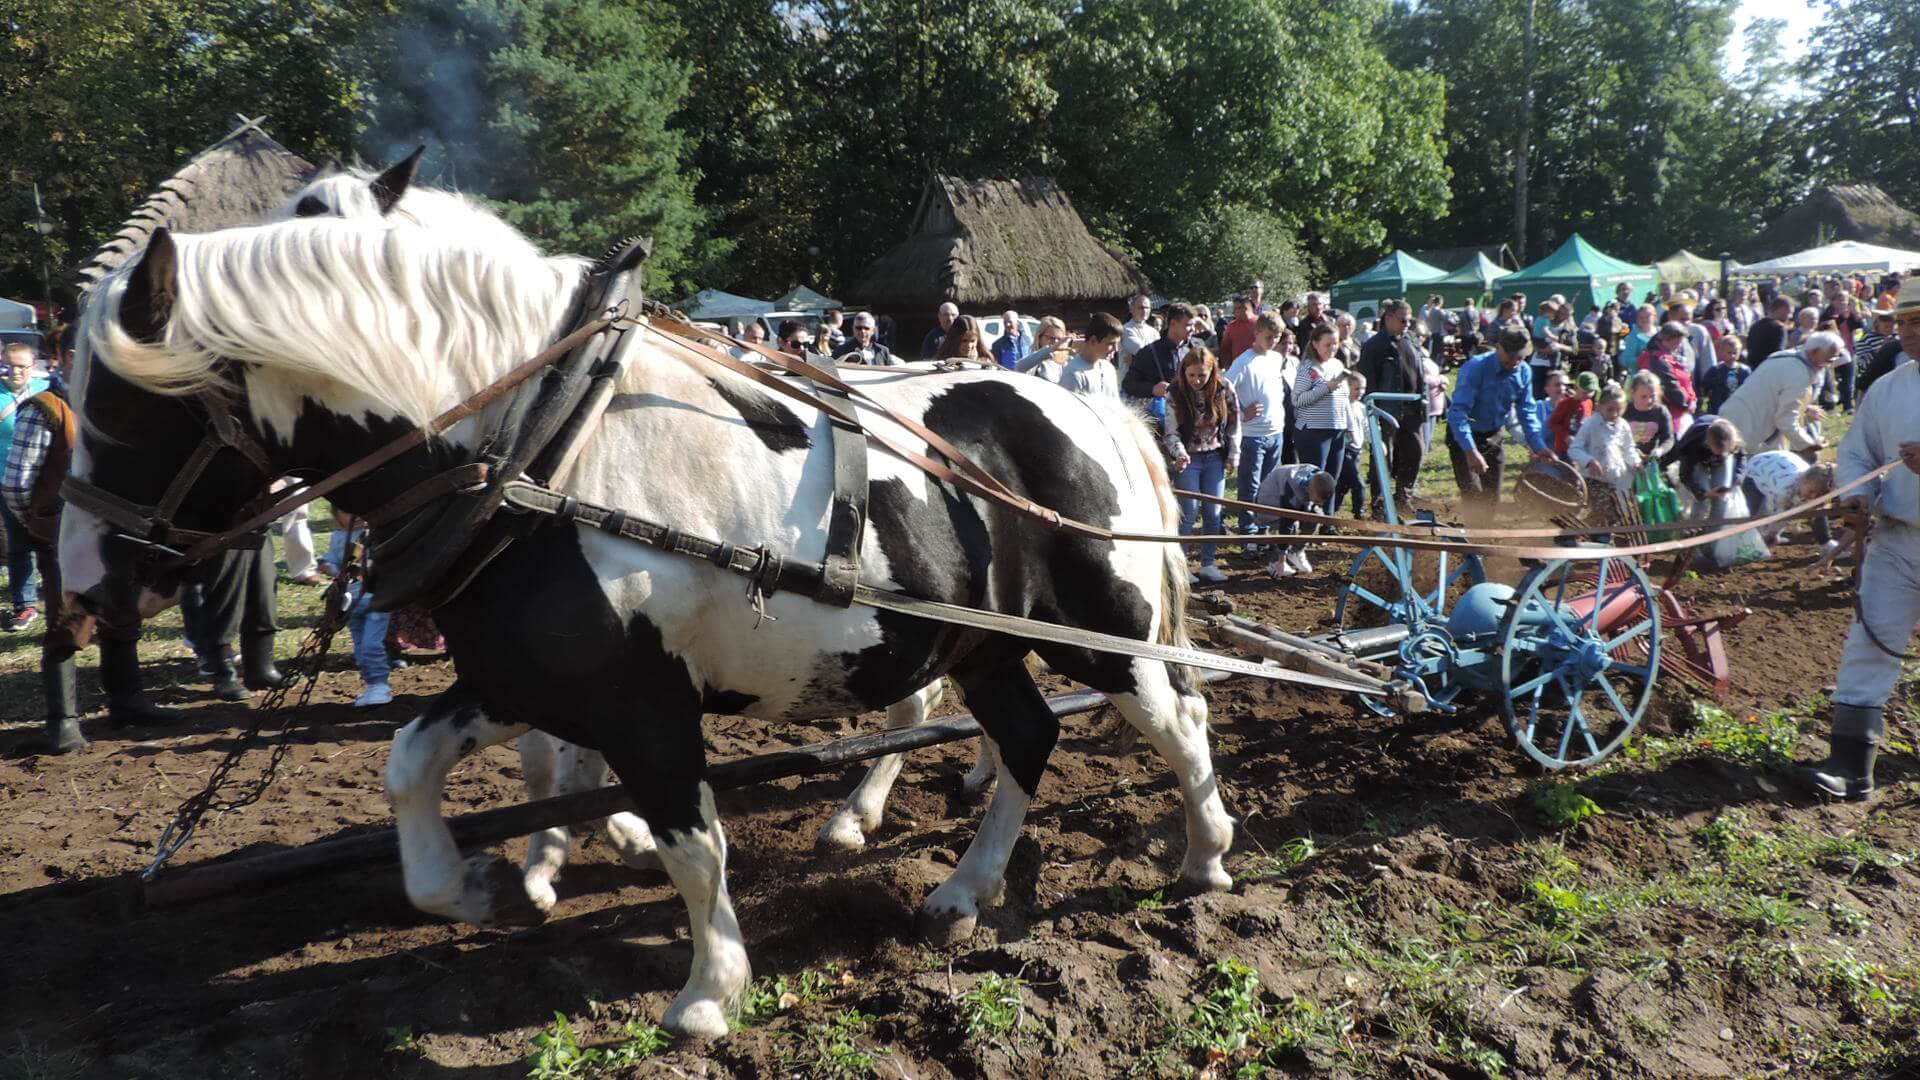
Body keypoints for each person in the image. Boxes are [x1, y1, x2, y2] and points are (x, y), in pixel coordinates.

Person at [4, 347, 178, 751]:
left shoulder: (120, 403)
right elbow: (16, 484)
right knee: (68, 620)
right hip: (63, 533)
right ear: (68, 357)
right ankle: (63, 721)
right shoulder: (46, 408)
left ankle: (128, 704)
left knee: (122, 613)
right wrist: (40, 524)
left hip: (119, 531)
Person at [1796, 333, 1920, 800]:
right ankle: (1850, 767)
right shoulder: (1888, 389)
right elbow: (1855, 454)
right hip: (1896, 536)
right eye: (1906, 322)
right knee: (1870, 643)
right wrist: (1856, 496)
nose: (1914, 331)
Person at [1445, 327, 1555, 510]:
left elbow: (1526, 411)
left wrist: (1539, 445)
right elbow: (1458, 413)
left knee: (1492, 498)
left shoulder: (1524, 372)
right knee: (1472, 495)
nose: (1515, 361)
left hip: (1493, 436)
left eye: (1520, 356)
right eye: (1511, 356)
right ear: (1499, 348)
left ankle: (1486, 535)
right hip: (1464, 436)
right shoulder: (1475, 368)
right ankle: (1473, 534)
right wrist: (1470, 451)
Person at [1161, 348, 1240, 583]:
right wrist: (1180, 453)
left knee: (1213, 511)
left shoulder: (1224, 389)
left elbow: (1235, 424)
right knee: (1189, 512)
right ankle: (1180, 565)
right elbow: (1170, 431)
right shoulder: (1175, 392)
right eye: (1192, 375)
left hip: (1215, 455)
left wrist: (1234, 453)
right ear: (1184, 372)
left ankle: (1208, 563)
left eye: (1202, 376)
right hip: (1189, 458)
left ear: (1212, 372)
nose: (1196, 381)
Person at [1717, 331, 1840, 453]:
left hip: (1734, 419)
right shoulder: (1798, 373)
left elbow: (1772, 396)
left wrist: (1805, 409)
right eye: (1829, 359)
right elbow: (1785, 419)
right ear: (1815, 352)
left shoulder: (1784, 357)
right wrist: (1809, 444)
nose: (1829, 364)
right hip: (1749, 430)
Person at [1355, 299, 1425, 513]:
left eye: (1409, 320)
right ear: (1388, 318)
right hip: (1385, 411)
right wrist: (1372, 411)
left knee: (1415, 452)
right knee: (1383, 457)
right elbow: (1367, 382)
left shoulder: (1411, 340)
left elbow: (1419, 372)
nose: (1406, 324)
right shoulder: (1373, 346)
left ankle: (1404, 495)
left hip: (1411, 409)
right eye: (1402, 320)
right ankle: (1379, 502)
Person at [0, 342, 50, 631]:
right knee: (19, 545)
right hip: (7, 484)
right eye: (9, 364)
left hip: (46, 483)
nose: (15, 371)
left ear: (34, 366)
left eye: (22, 365)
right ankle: (25, 604)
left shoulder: (47, 390)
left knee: (53, 544)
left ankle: (68, 598)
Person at [1225, 313, 1291, 534]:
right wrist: (1243, 413)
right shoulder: (1243, 361)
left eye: (1277, 336)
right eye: (1269, 336)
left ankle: (1264, 529)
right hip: (1252, 435)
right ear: (1257, 333)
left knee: (1269, 486)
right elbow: (1224, 391)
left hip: (1276, 432)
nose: (1273, 341)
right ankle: (1248, 533)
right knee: (1250, 487)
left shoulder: (1276, 358)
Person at [325, 512, 395, 707]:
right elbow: (333, 561)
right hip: (351, 602)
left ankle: (380, 684)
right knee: (360, 647)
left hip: (375, 599)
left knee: (372, 644)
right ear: (336, 515)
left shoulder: (376, 535)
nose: (355, 514)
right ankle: (372, 684)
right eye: (346, 511)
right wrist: (328, 567)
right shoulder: (338, 537)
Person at [1292, 323, 1354, 516]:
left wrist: (1349, 426)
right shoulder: (1308, 369)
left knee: (1331, 480)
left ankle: (1328, 521)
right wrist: (1325, 388)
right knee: (1315, 480)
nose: (1333, 348)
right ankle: (1308, 521)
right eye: (1328, 344)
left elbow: (1345, 399)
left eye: (1335, 344)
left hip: (1337, 429)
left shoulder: (1337, 365)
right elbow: (1297, 400)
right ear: (1316, 344)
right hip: (1314, 432)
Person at [1663, 418, 1749, 545]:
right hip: (1698, 461)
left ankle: (1713, 540)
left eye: (1725, 452)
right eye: (1718, 453)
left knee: (1721, 500)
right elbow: (1685, 475)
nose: (1720, 456)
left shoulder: (1732, 437)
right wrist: (1702, 493)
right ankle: (1691, 537)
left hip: (1722, 457)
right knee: (1701, 502)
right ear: (1708, 444)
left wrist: (1736, 479)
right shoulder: (1691, 445)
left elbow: (1742, 457)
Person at [1567, 384, 1642, 528]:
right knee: (1602, 510)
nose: (1614, 414)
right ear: (1599, 406)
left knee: (1617, 512)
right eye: (1610, 409)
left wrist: (1635, 462)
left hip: (1615, 479)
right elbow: (1574, 449)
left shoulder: (1623, 425)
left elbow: (1628, 448)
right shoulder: (1591, 425)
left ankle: (1595, 535)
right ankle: (1579, 531)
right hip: (1593, 479)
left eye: (1618, 410)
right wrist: (1589, 461)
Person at [1251, 464, 1335, 578]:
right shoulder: (1292, 488)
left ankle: (1295, 551)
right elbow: (1286, 525)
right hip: (1268, 505)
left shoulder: (1315, 476)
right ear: (1309, 490)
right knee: (1291, 526)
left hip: (1288, 500)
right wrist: (1281, 560)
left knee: (1315, 516)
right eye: (1314, 499)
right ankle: (1275, 562)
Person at [1743, 451, 1836, 552]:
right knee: (1751, 509)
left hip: (1781, 464)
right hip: (1757, 468)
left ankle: (1826, 543)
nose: (1812, 496)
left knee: (1817, 511)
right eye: (1811, 491)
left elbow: (1814, 507)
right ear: (1803, 479)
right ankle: (1747, 540)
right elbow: (1777, 512)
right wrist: (1771, 534)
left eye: (1818, 494)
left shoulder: (1812, 482)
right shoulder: (1783, 489)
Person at [1123, 302, 1196, 429]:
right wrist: (1153, 389)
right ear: (1173, 324)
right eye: (1188, 325)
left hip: (1192, 421)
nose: (1193, 329)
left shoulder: (1196, 350)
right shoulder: (1149, 353)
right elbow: (1128, 384)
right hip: (1160, 426)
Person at [1036, 312, 1123, 399]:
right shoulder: (1073, 373)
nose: (1116, 349)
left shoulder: (1108, 368)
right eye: (1111, 343)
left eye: (1059, 339)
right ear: (1093, 341)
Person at [1638, 323, 1699, 434]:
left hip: (1678, 409)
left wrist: (1692, 399)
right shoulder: (1658, 360)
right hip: (1671, 412)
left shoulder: (1668, 355)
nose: (1679, 346)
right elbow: (1670, 385)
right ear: (1666, 340)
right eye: (1677, 342)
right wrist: (1686, 404)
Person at [1623, 370, 1677, 460]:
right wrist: (1631, 451)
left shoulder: (1661, 411)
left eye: (1652, 396)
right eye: (1643, 396)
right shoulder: (1625, 410)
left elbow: (1668, 438)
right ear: (1633, 394)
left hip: (1650, 459)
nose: (1648, 400)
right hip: (1627, 458)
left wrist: (1660, 450)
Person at [1336, 373, 1369, 517]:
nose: (1360, 392)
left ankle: (1329, 515)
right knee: (1358, 484)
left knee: (1343, 485)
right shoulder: (1342, 406)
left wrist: (1376, 441)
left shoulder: (1361, 407)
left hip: (1357, 451)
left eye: (1363, 388)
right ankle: (1359, 514)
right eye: (1356, 389)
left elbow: (1367, 427)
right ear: (1347, 388)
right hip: (1345, 450)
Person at [1699, 335, 1752, 415]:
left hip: (1738, 407)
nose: (1732, 356)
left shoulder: (1744, 371)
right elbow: (1705, 388)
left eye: (1735, 353)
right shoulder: (1715, 370)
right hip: (1718, 408)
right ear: (1721, 352)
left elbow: (1749, 389)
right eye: (1729, 353)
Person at [1548, 372, 1597, 457]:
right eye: (1585, 392)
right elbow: (1553, 423)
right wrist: (1566, 436)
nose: (1588, 395)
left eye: (1591, 392)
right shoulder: (1565, 404)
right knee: (1567, 469)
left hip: (1581, 447)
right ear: (1576, 388)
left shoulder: (1589, 402)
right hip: (1564, 449)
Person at [1745, 296, 1793, 367]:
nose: (1790, 316)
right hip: (1769, 370)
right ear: (1782, 309)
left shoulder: (1755, 325)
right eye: (1789, 312)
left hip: (1754, 371)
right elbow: (1778, 355)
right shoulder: (1778, 328)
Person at [1216, 295, 1259, 368]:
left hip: (1257, 365)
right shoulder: (1232, 327)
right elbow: (1225, 348)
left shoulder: (1260, 323)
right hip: (1237, 368)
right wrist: (1227, 367)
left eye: (1236, 309)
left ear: (1246, 308)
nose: (1233, 312)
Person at [1120, 293, 1159, 362]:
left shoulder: (1154, 332)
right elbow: (1142, 351)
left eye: (1147, 308)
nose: (1144, 311)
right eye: (1141, 308)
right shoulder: (1126, 329)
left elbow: (1160, 353)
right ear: (1131, 309)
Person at [1618, 304, 1657, 371]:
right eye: (1641, 317)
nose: (1644, 319)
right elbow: (1626, 360)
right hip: (1640, 376)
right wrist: (1643, 358)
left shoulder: (1659, 332)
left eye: (1647, 316)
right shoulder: (1634, 336)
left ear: (1654, 317)